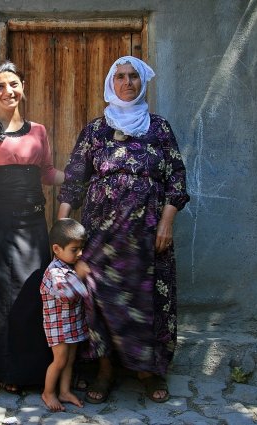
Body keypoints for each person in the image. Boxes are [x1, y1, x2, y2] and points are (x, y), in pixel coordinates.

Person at [57, 56, 190, 404]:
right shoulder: (96, 129)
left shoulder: (158, 128)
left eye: (133, 77)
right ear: (110, 83)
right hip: (102, 232)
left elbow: (177, 178)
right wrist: (62, 226)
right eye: (120, 77)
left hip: (147, 232)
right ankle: (105, 369)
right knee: (100, 298)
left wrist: (166, 222)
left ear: (142, 83)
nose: (127, 82)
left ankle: (149, 371)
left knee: (150, 299)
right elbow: (74, 179)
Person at [0, 60, 65, 392]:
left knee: (32, 296)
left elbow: (48, 174)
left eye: (13, 84)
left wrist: (84, 178)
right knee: (0, 299)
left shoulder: (39, 131)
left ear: (23, 87)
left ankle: (29, 371)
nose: (8, 91)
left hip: (35, 226)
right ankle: (3, 371)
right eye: (0, 86)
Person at [40, 218, 89, 412]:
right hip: (58, 326)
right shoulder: (55, 272)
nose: (80, 254)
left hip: (73, 323)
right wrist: (80, 276)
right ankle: (48, 392)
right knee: (59, 360)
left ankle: (64, 391)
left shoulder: (69, 266)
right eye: (74, 250)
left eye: (81, 248)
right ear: (57, 249)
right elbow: (66, 296)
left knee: (70, 359)